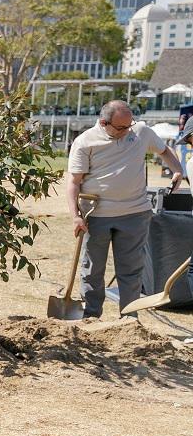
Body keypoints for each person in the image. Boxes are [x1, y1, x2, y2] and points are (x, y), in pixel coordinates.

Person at [68, 100, 185, 320]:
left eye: (129, 126)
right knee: (92, 270)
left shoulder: (140, 131)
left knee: (131, 272)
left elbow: (164, 150)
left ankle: (129, 319)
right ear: (104, 123)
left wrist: (177, 169)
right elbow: (73, 182)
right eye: (121, 128)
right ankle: (91, 317)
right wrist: (75, 216)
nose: (127, 131)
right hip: (96, 215)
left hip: (135, 214)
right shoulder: (84, 142)